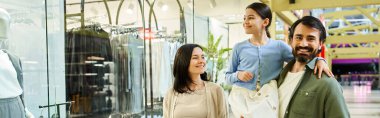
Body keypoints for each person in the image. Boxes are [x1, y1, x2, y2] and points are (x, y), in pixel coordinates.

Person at [225, 2, 333, 118]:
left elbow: (301, 58)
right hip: (242, 98)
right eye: (244, 18)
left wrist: (320, 60)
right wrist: (238, 75)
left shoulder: (279, 47)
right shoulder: (239, 48)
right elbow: (227, 77)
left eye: (250, 18)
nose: (245, 21)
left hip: (267, 101)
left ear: (265, 22)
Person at [277, 16, 350, 118]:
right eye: (298, 37)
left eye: (310, 38)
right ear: (290, 41)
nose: (303, 44)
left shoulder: (328, 84)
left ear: (320, 44)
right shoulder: (278, 76)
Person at [163, 44, 228, 118]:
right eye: (195, 58)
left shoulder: (216, 90)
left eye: (202, 57)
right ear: (183, 62)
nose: (201, 61)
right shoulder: (171, 94)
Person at [0, 8, 34, 118]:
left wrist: (25, 109)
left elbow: (20, 86)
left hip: (16, 105)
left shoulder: (12, 58)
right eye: (0, 20)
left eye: (6, 21)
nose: (4, 24)